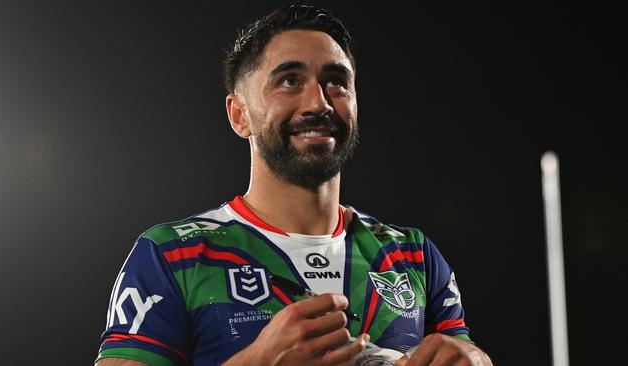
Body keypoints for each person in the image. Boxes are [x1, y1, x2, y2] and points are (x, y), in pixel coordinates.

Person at [95, 3, 492, 366]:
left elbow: (464, 352)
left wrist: (474, 360)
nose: (318, 103)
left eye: (336, 81)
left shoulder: (414, 256)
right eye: (288, 81)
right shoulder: (170, 255)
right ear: (239, 115)